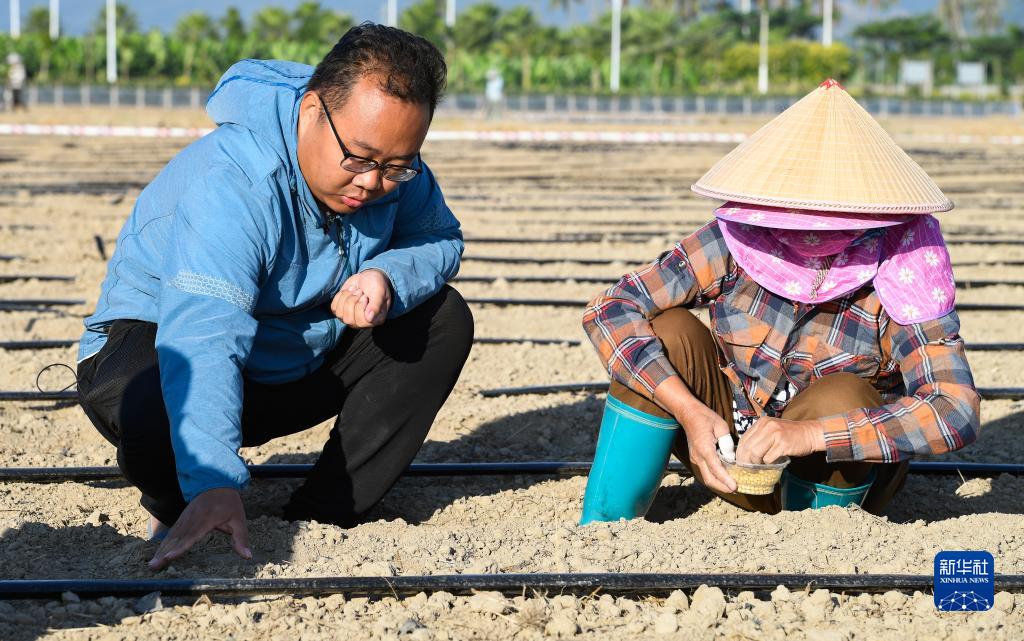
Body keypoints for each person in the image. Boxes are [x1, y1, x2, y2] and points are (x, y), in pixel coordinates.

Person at [76, 24, 474, 570]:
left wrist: (387, 274)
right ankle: (177, 501)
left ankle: (323, 515)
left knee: (442, 318)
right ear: (312, 111)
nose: (371, 182)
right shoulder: (235, 181)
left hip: (288, 357)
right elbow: (204, 335)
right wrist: (212, 480)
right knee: (153, 405)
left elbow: (439, 236)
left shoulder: (394, 174)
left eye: (397, 165)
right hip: (157, 348)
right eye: (358, 158)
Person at [579, 79, 980, 523]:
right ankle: (605, 525)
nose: (807, 232)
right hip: (731, 458)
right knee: (667, 330)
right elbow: (612, 308)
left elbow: (954, 407)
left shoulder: (906, 265)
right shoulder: (737, 240)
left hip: (839, 476)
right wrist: (688, 411)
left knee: (841, 395)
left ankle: (809, 542)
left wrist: (808, 435)